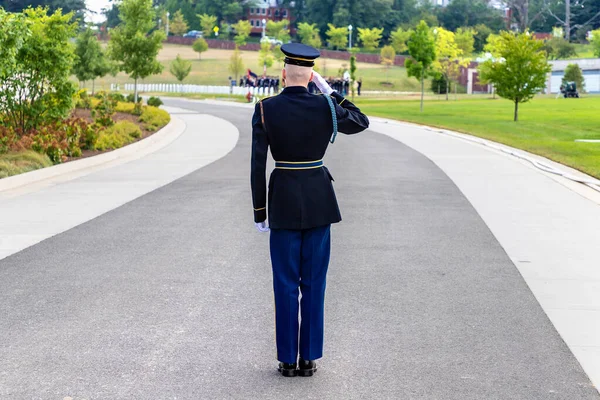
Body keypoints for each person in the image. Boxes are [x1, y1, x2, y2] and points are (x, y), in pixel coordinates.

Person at [250, 43, 369, 378]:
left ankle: (287, 359)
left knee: (285, 283)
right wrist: (332, 93)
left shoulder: (265, 108)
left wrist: (260, 212)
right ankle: (309, 358)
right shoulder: (326, 106)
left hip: (283, 202)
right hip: (319, 201)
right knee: (314, 282)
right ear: (311, 76)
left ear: (284, 73)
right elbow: (361, 121)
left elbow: (257, 165)